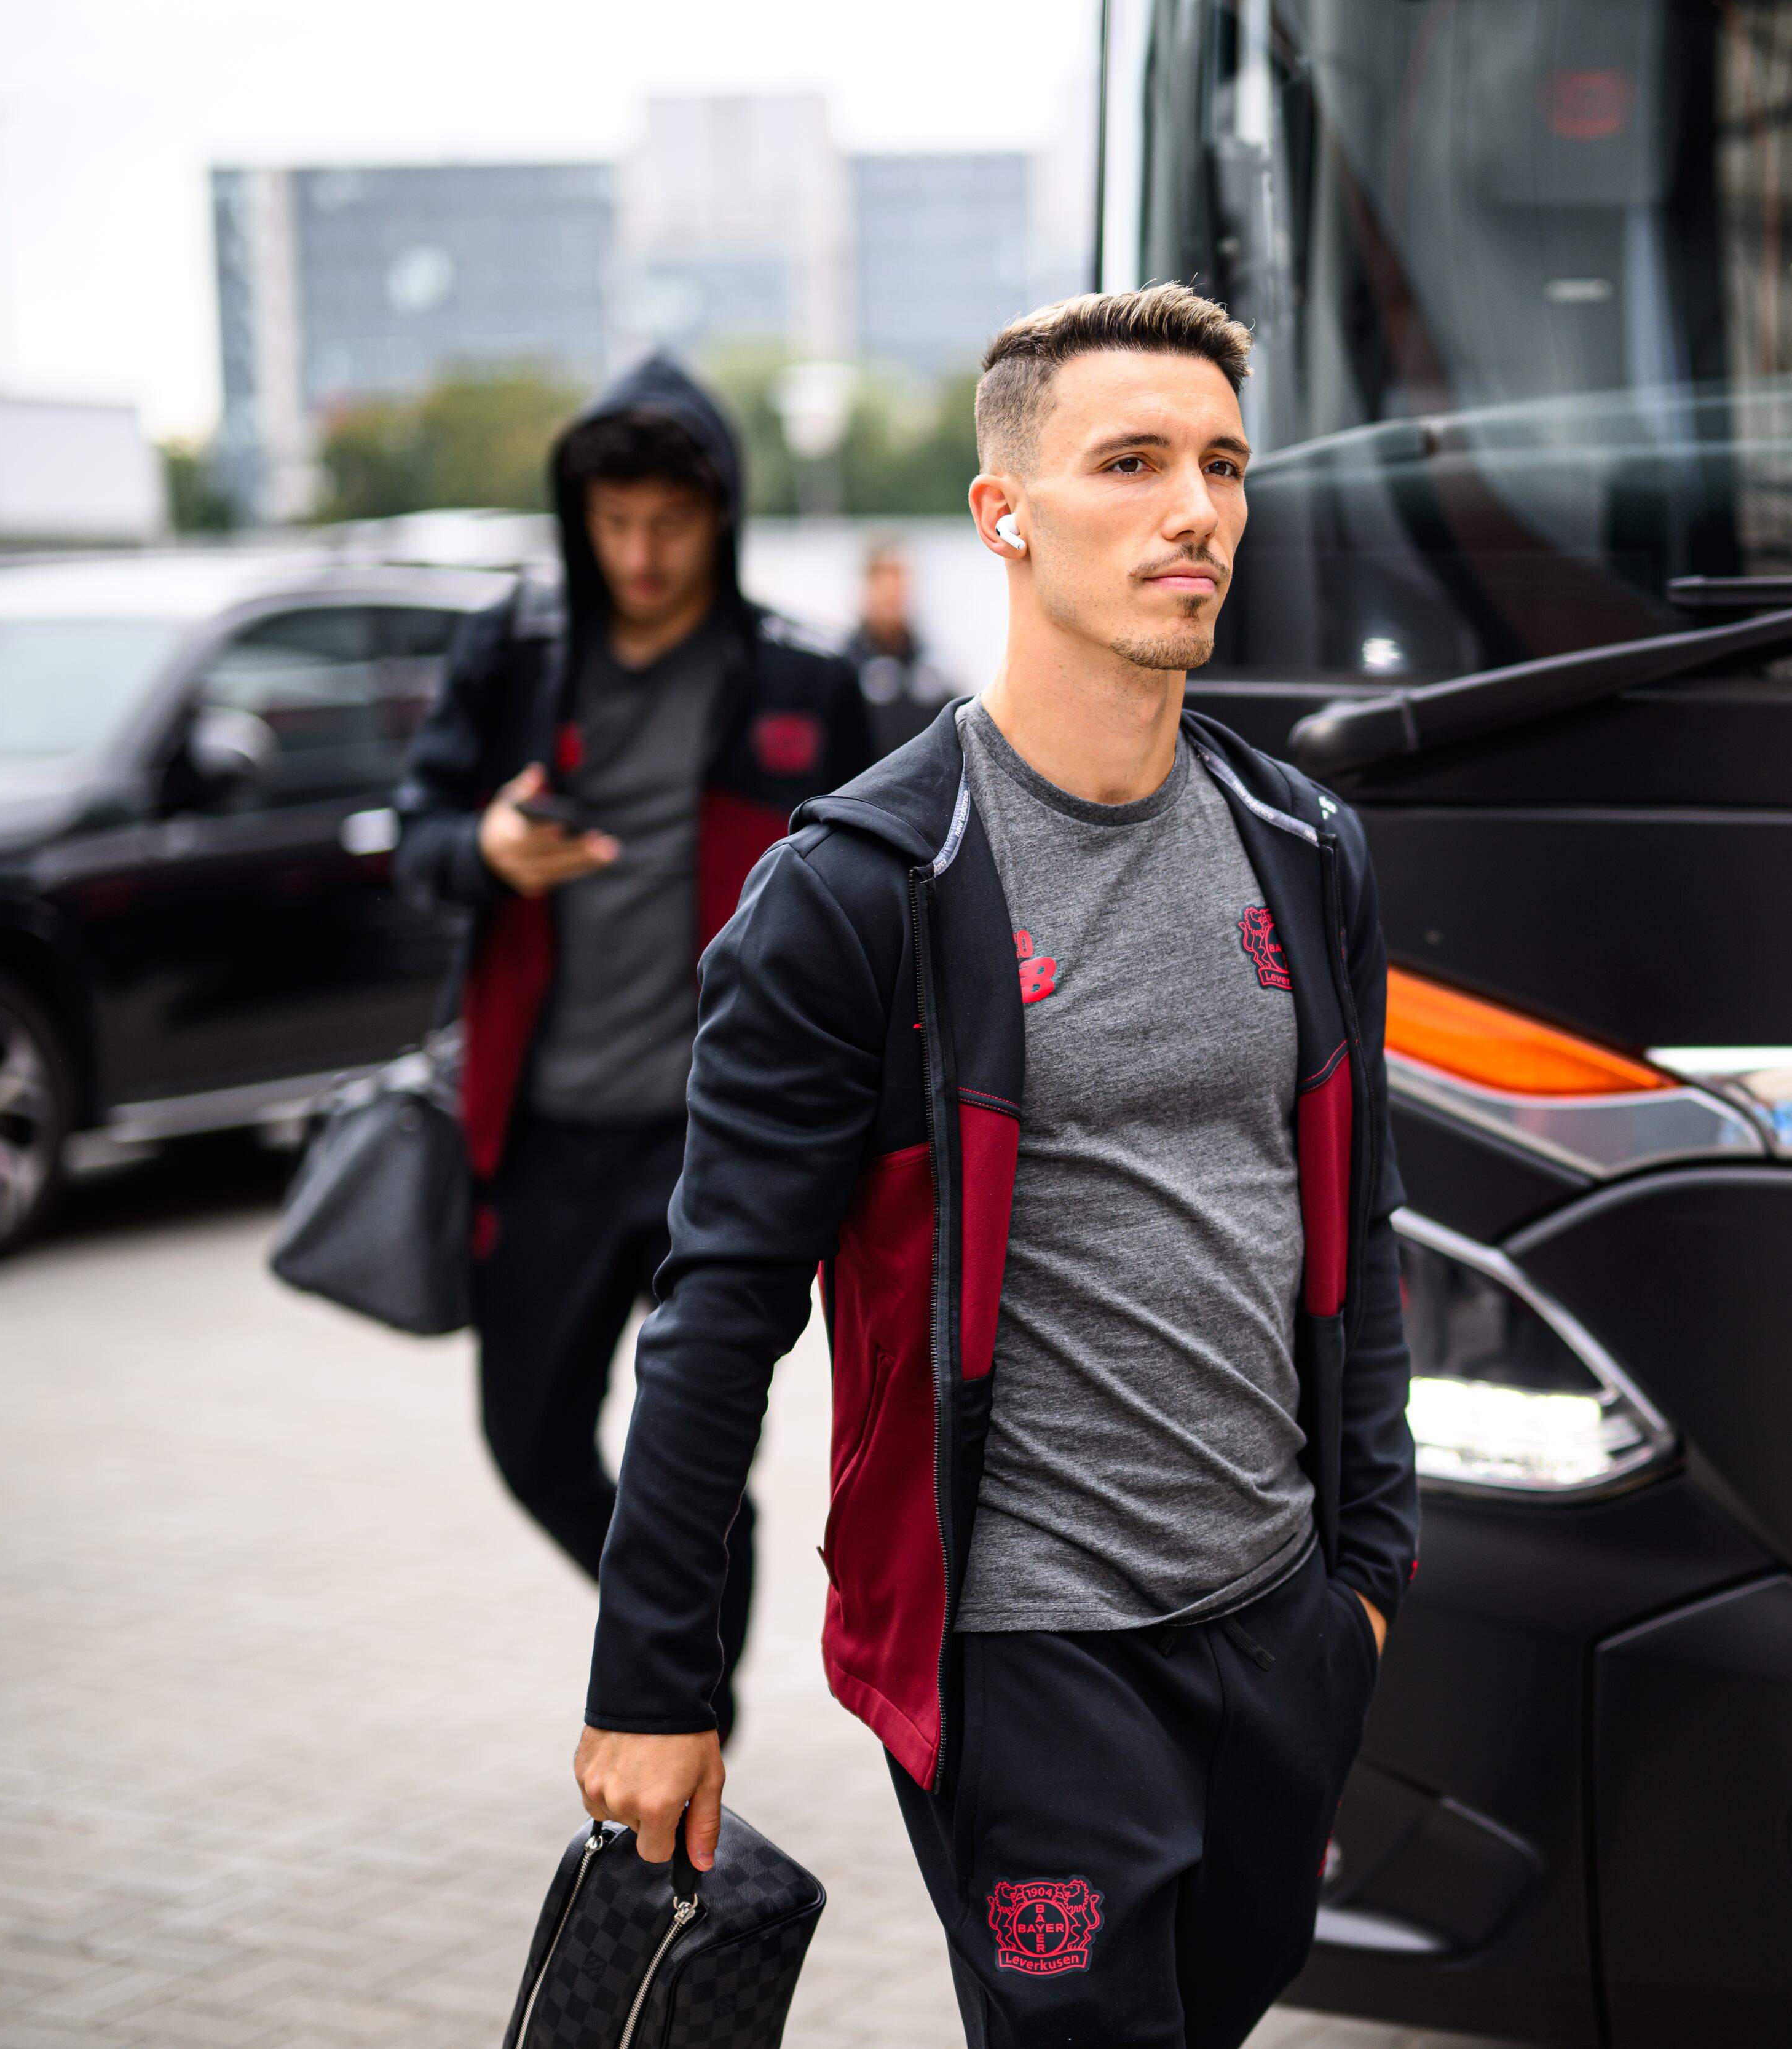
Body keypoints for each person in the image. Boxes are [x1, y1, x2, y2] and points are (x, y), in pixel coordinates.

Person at [573, 285, 1415, 2049]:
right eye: (1131, 462)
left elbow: (1360, 1228)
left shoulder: (1306, 848)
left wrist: (1371, 1581)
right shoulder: (863, 888)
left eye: (1221, 465)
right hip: (1030, 1655)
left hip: (1280, 1625)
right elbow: (721, 1306)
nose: (1195, 510)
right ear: (1004, 511)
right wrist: (657, 1682)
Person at [396, 354, 876, 1738]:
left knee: (703, 1457)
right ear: (580, 518)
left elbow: (873, 897)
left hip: (715, 1150)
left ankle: (682, 1704)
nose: (643, 553)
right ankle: (684, 1631)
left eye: (670, 521)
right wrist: (482, 845)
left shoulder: (799, 673)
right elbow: (416, 841)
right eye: (615, 522)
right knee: (530, 1438)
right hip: (540, 1127)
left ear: (719, 517)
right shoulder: (512, 655)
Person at [847, 532, 957, 751]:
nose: (892, 588)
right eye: (882, 575)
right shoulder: (845, 668)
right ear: (865, 585)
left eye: (899, 576)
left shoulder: (932, 668)